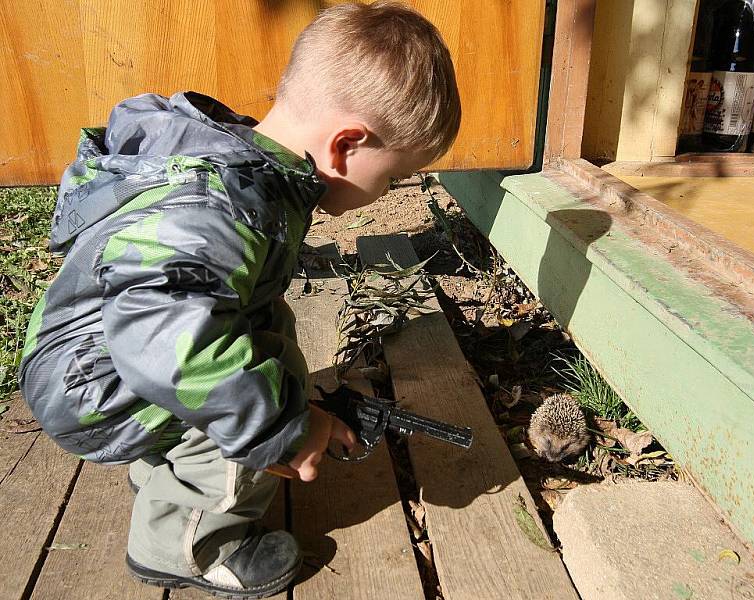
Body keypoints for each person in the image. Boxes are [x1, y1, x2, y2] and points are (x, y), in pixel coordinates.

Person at [16, 2, 460, 598]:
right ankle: (190, 546)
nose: (385, 193)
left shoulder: (247, 170)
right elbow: (173, 347)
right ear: (346, 145)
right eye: (391, 176)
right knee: (251, 401)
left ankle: (167, 469)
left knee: (263, 342)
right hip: (99, 386)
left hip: (100, 358)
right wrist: (284, 427)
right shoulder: (220, 212)